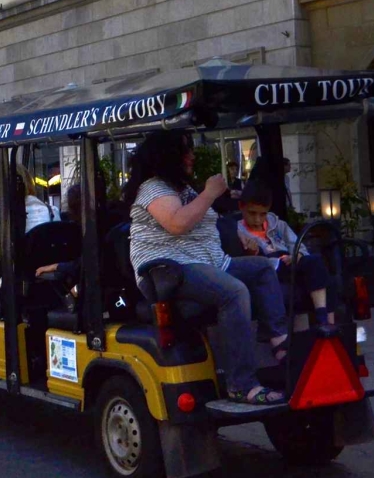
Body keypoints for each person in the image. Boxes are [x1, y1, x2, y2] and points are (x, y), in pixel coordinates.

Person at [127, 132, 288, 405]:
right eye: (185, 151)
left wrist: (240, 234)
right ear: (168, 157)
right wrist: (210, 192)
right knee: (233, 291)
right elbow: (178, 223)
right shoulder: (153, 188)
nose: (192, 156)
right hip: (170, 267)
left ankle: (279, 342)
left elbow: (209, 219)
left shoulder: (182, 189)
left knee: (262, 269)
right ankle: (241, 384)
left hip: (209, 261)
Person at [235, 178, 333, 327]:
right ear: (241, 207)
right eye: (252, 213)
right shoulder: (237, 231)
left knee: (315, 262)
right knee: (314, 275)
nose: (257, 219)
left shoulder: (278, 224)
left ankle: (324, 321)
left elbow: (297, 245)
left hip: (290, 262)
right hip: (268, 267)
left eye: (262, 214)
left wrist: (297, 255)